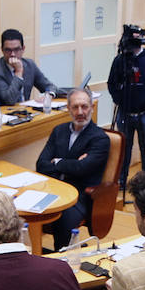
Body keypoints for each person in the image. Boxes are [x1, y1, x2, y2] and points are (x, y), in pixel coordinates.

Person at [35, 88, 110, 250]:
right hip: (53, 191)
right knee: (26, 212)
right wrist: (73, 164)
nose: (80, 112)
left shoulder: (100, 138)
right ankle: (35, 257)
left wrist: (57, 162)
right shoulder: (58, 131)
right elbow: (41, 165)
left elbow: (83, 168)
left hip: (79, 197)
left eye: (84, 106)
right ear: (68, 109)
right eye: (75, 107)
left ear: (92, 108)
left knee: (62, 221)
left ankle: (62, 261)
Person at [107, 35, 145, 190]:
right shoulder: (120, 60)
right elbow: (111, 83)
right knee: (125, 147)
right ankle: (121, 181)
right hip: (125, 112)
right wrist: (119, 99)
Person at [0, 28, 58, 106]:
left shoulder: (29, 64)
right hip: (4, 114)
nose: (12, 54)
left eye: (16, 49)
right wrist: (18, 72)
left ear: (23, 49)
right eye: (8, 50)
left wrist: (49, 95)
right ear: (2, 50)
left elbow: (49, 86)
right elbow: (10, 100)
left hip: (26, 112)